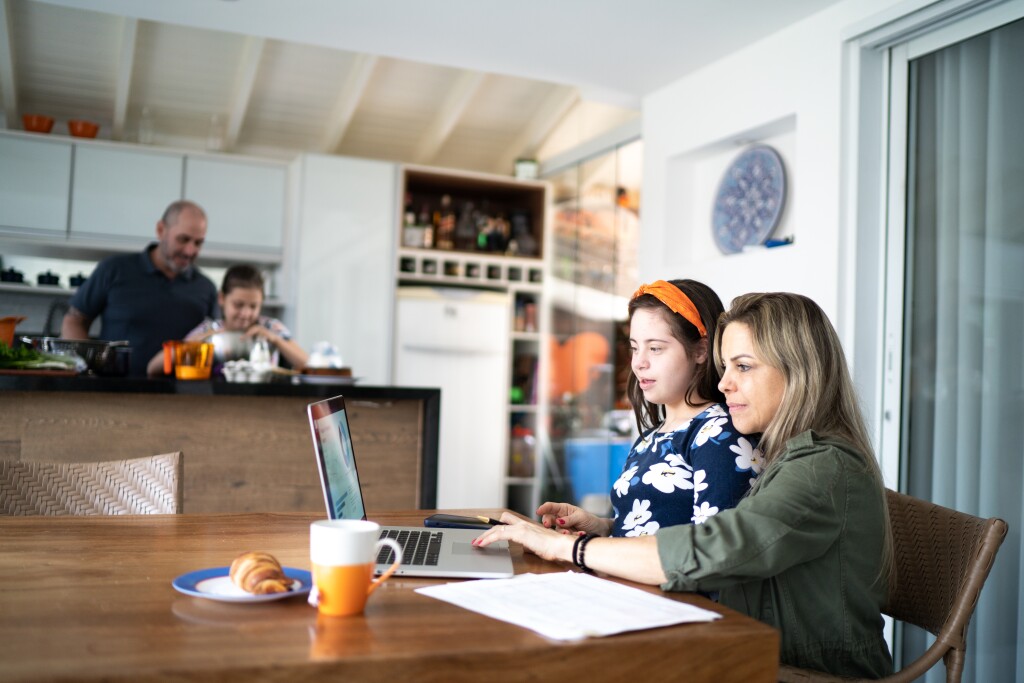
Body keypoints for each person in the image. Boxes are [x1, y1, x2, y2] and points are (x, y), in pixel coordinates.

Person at [475, 292, 894, 678]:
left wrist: (566, 548)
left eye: (743, 366)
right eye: (726, 365)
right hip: (759, 655)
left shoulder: (823, 466)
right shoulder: (794, 456)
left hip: (797, 672)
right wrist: (603, 528)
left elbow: (718, 546)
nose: (725, 382)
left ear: (800, 371)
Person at [543, 279, 760, 540]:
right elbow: (657, 524)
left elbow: (710, 551)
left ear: (701, 350)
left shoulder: (720, 435)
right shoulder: (652, 436)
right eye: (635, 348)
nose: (639, 363)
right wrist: (603, 527)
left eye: (655, 348)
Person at [62, 200, 217, 377]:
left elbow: (217, 334)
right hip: (113, 393)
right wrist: (86, 369)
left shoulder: (206, 287)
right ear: (161, 230)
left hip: (181, 398)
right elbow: (74, 320)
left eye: (198, 243)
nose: (190, 251)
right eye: (183, 239)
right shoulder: (114, 270)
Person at [148, 264, 307, 375]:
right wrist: (192, 344)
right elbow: (153, 368)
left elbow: (307, 364)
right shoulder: (209, 329)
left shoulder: (271, 327)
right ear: (222, 298)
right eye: (238, 305)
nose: (245, 314)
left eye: (253, 307)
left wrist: (275, 340)